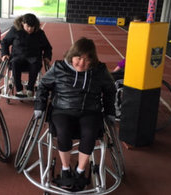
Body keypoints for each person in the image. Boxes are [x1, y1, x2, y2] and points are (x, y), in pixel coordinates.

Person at [34, 37, 116, 190]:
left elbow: (110, 91)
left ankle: (80, 171)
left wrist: (110, 111)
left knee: (90, 132)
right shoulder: (59, 67)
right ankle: (65, 169)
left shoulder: (100, 70)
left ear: (93, 60)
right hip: (62, 110)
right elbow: (43, 86)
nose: (81, 63)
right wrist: (39, 106)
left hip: (90, 111)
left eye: (87, 59)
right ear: (72, 56)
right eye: (78, 58)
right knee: (63, 132)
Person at [1, 13, 52, 97]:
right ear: (22, 23)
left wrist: (47, 56)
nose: (30, 29)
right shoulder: (15, 30)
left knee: (35, 64)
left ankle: (30, 89)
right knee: (14, 63)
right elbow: (5, 42)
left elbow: (47, 47)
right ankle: (19, 90)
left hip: (33, 58)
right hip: (17, 58)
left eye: (32, 27)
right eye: (28, 26)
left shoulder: (39, 33)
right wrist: (5, 53)